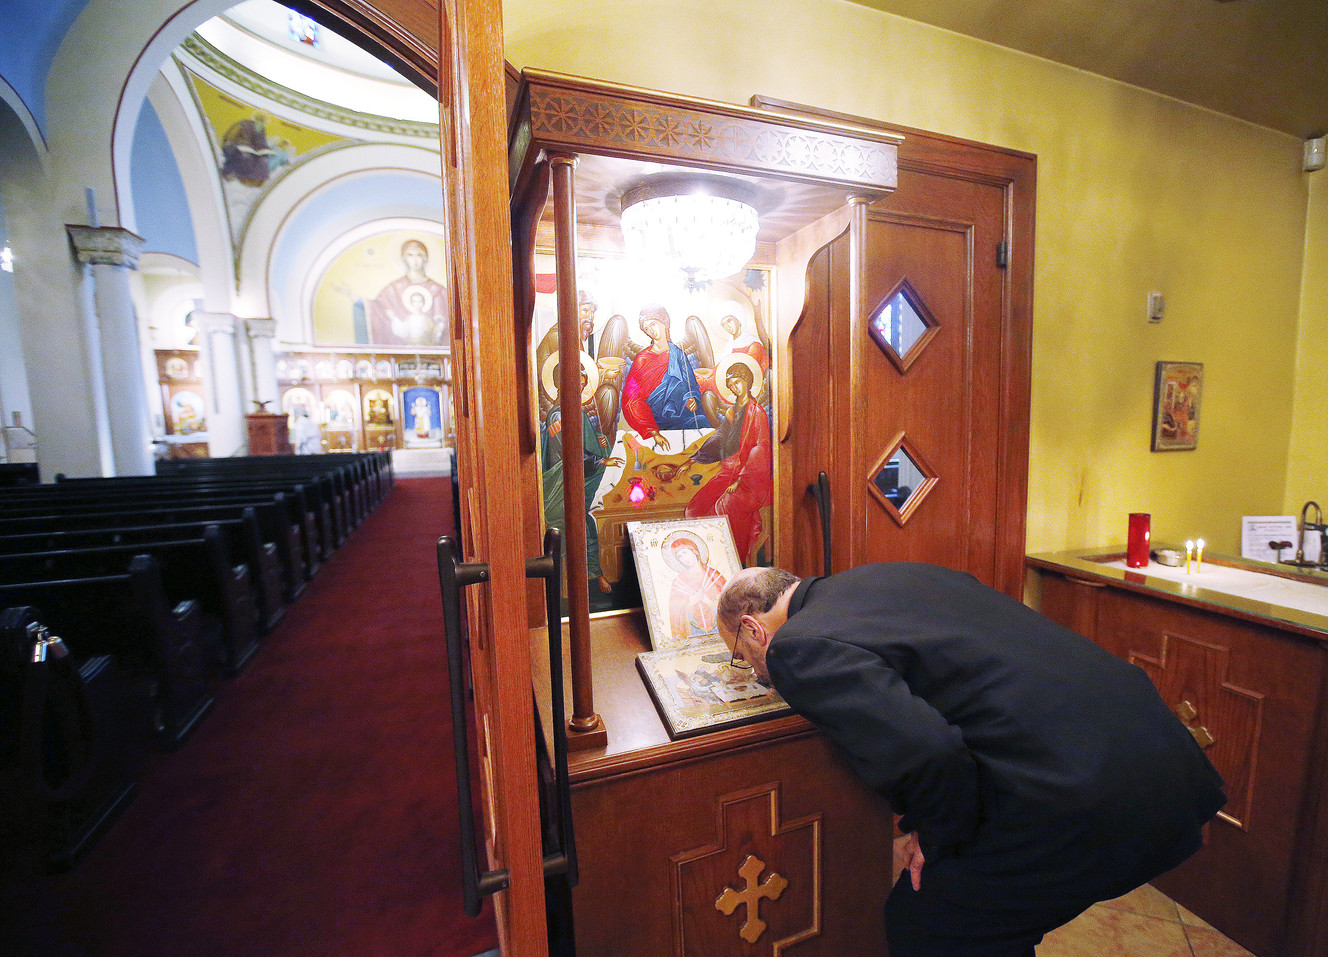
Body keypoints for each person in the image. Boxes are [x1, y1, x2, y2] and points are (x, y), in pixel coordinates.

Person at [716, 562, 1227, 957]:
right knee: (983, 924)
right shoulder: (884, 576)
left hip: (1090, 794)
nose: (755, 673)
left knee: (926, 921)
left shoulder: (797, 648)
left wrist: (937, 841)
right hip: (1160, 752)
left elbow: (927, 752)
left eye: (741, 656)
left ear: (754, 629)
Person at [685, 356, 771, 564]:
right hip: (729, 473)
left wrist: (740, 480)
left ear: (748, 382)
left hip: (751, 481)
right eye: (731, 385)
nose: (735, 388)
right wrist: (693, 460)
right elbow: (719, 437)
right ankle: (708, 560)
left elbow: (760, 451)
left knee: (722, 507)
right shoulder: (733, 411)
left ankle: (732, 560)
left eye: (738, 382)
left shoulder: (756, 412)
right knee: (695, 508)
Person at [620, 305, 707, 451]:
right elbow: (631, 398)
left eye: (653, 324)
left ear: (664, 323)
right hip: (656, 420)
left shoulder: (678, 354)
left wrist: (691, 398)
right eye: (646, 329)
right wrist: (652, 430)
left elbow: (691, 385)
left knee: (703, 424)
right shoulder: (642, 359)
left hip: (683, 415)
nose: (651, 331)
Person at [662, 531, 727, 644]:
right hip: (693, 631)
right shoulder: (678, 582)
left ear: (695, 551)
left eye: (685, 553)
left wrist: (708, 601)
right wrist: (691, 602)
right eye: (679, 556)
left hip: (719, 628)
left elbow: (730, 601)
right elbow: (675, 612)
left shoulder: (714, 575)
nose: (683, 558)